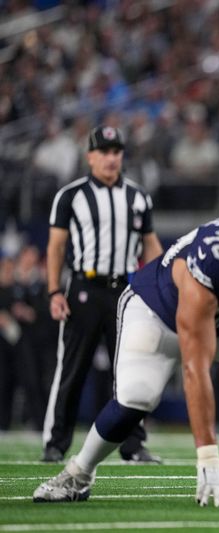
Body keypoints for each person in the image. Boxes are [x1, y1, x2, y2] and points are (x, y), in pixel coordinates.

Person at [33, 177, 219, 506]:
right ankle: (78, 472)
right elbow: (195, 367)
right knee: (136, 399)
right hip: (157, 314)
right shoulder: (215, 259)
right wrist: (208, 455)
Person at [43, 126, 163, 463]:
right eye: (105, 152)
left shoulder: (137, 196)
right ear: (90, 157)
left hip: (124, 292)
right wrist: (54, 290)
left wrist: (158, 288)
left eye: (117, 151)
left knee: (131, 370)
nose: (112, 158)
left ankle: (133, 444)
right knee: (73, 368)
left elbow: (151, 245)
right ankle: (56, 442)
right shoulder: (71, 195)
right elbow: (55, 247)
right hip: (83, 287)